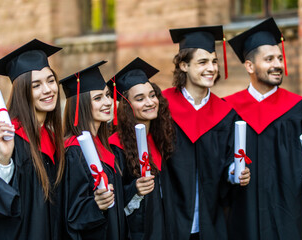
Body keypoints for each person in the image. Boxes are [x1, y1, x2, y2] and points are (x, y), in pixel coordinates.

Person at [224, 17, 302, 240]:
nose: (278, 64)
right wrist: (231, 171)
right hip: (240, 214)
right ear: (249, 66)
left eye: (279, 58)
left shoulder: (299, 107)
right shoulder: (229, 109)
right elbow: (217, 158)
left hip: (286, 212)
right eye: (269, 59)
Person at [161, 26, 251, 240]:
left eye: (214, 61)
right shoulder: (162, 106)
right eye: (202, 62)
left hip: (209, 218)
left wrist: (236, 172)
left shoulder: (225, 114)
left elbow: (231, 157)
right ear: (184, 65)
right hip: (168, 218)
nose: (211, 68)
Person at [0, 39, 65, 239]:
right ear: (23, 92)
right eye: (36, 85)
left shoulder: (53, 138)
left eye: (50, 80)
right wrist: (4, 160)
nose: (48, 90)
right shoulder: (7, 138)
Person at [108, 57, 175, 240]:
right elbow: (114, 200)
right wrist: (134, 189)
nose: (150, 102)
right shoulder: (116, 146)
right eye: (140, 98)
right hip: (137, 233)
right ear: (126, 106)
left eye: (152, 95)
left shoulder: (162, 138)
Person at [60, 61, 128, 240]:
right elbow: (71, 214)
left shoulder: (105, 147)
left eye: (107, 95)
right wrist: (96, 205)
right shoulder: (74, 152)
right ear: (80, 105)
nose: (108, 102)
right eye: (98, 98)